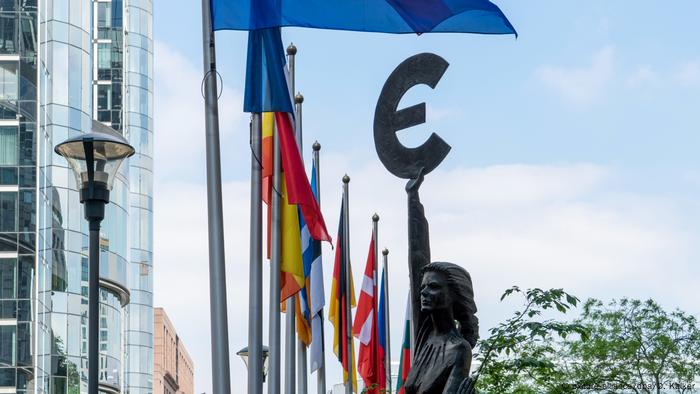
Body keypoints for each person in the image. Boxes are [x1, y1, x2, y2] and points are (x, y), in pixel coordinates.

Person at [403, 170, 479, 394]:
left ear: (453, 296)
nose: (424, 292)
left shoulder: (459, 350)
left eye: (434, 287)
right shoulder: (424, 334)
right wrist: (412, 199)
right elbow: (417, 255)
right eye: (423, 287)